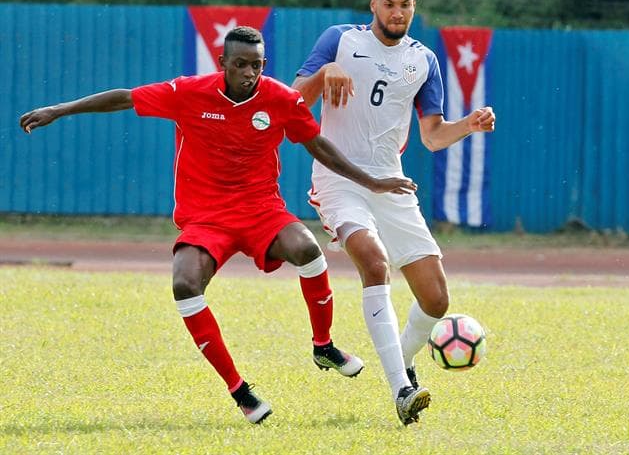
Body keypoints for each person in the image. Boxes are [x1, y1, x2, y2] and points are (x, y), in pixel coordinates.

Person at [19, 26, 417, 425]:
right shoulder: (189, 93)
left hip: (262, 210)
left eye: (256, 65)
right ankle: (240, 391)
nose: (248, 73)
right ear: (223, 63)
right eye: (240, 64)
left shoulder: (281, 99)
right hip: (206, 216)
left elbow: (318, 145)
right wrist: (59, 109)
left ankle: (324, 345)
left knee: (308, 249)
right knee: (184, 284)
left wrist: (372, 181)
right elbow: (124, 97)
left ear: (264, 65)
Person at [292, 0, 496, 425]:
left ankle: (401, 360)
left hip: (392, 182)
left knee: (436, 299)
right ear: (372, 4)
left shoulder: (423, 60)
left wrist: (469, 124)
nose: (397, 12)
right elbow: (292, 102)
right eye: (388, 3)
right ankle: (402, 389)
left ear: (414, 6)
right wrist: (325, 72)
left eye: (405, 4)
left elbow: (433, 137)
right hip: (338, 177)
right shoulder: (339, 40)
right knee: (373, 259)